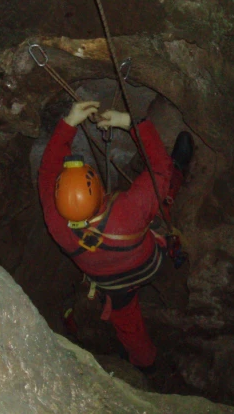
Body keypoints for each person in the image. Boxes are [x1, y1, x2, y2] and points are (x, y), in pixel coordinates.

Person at [38, 100, 193, 373]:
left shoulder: (57, 225)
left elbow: (47, 174)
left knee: (127, 323)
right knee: (162, 197)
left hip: (114, 286)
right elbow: (158, 168)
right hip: (150, 261)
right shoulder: (128, 210)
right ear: (97, 189)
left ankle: (144, 362)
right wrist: (130, 123)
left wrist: (68, 124)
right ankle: (182, 167)